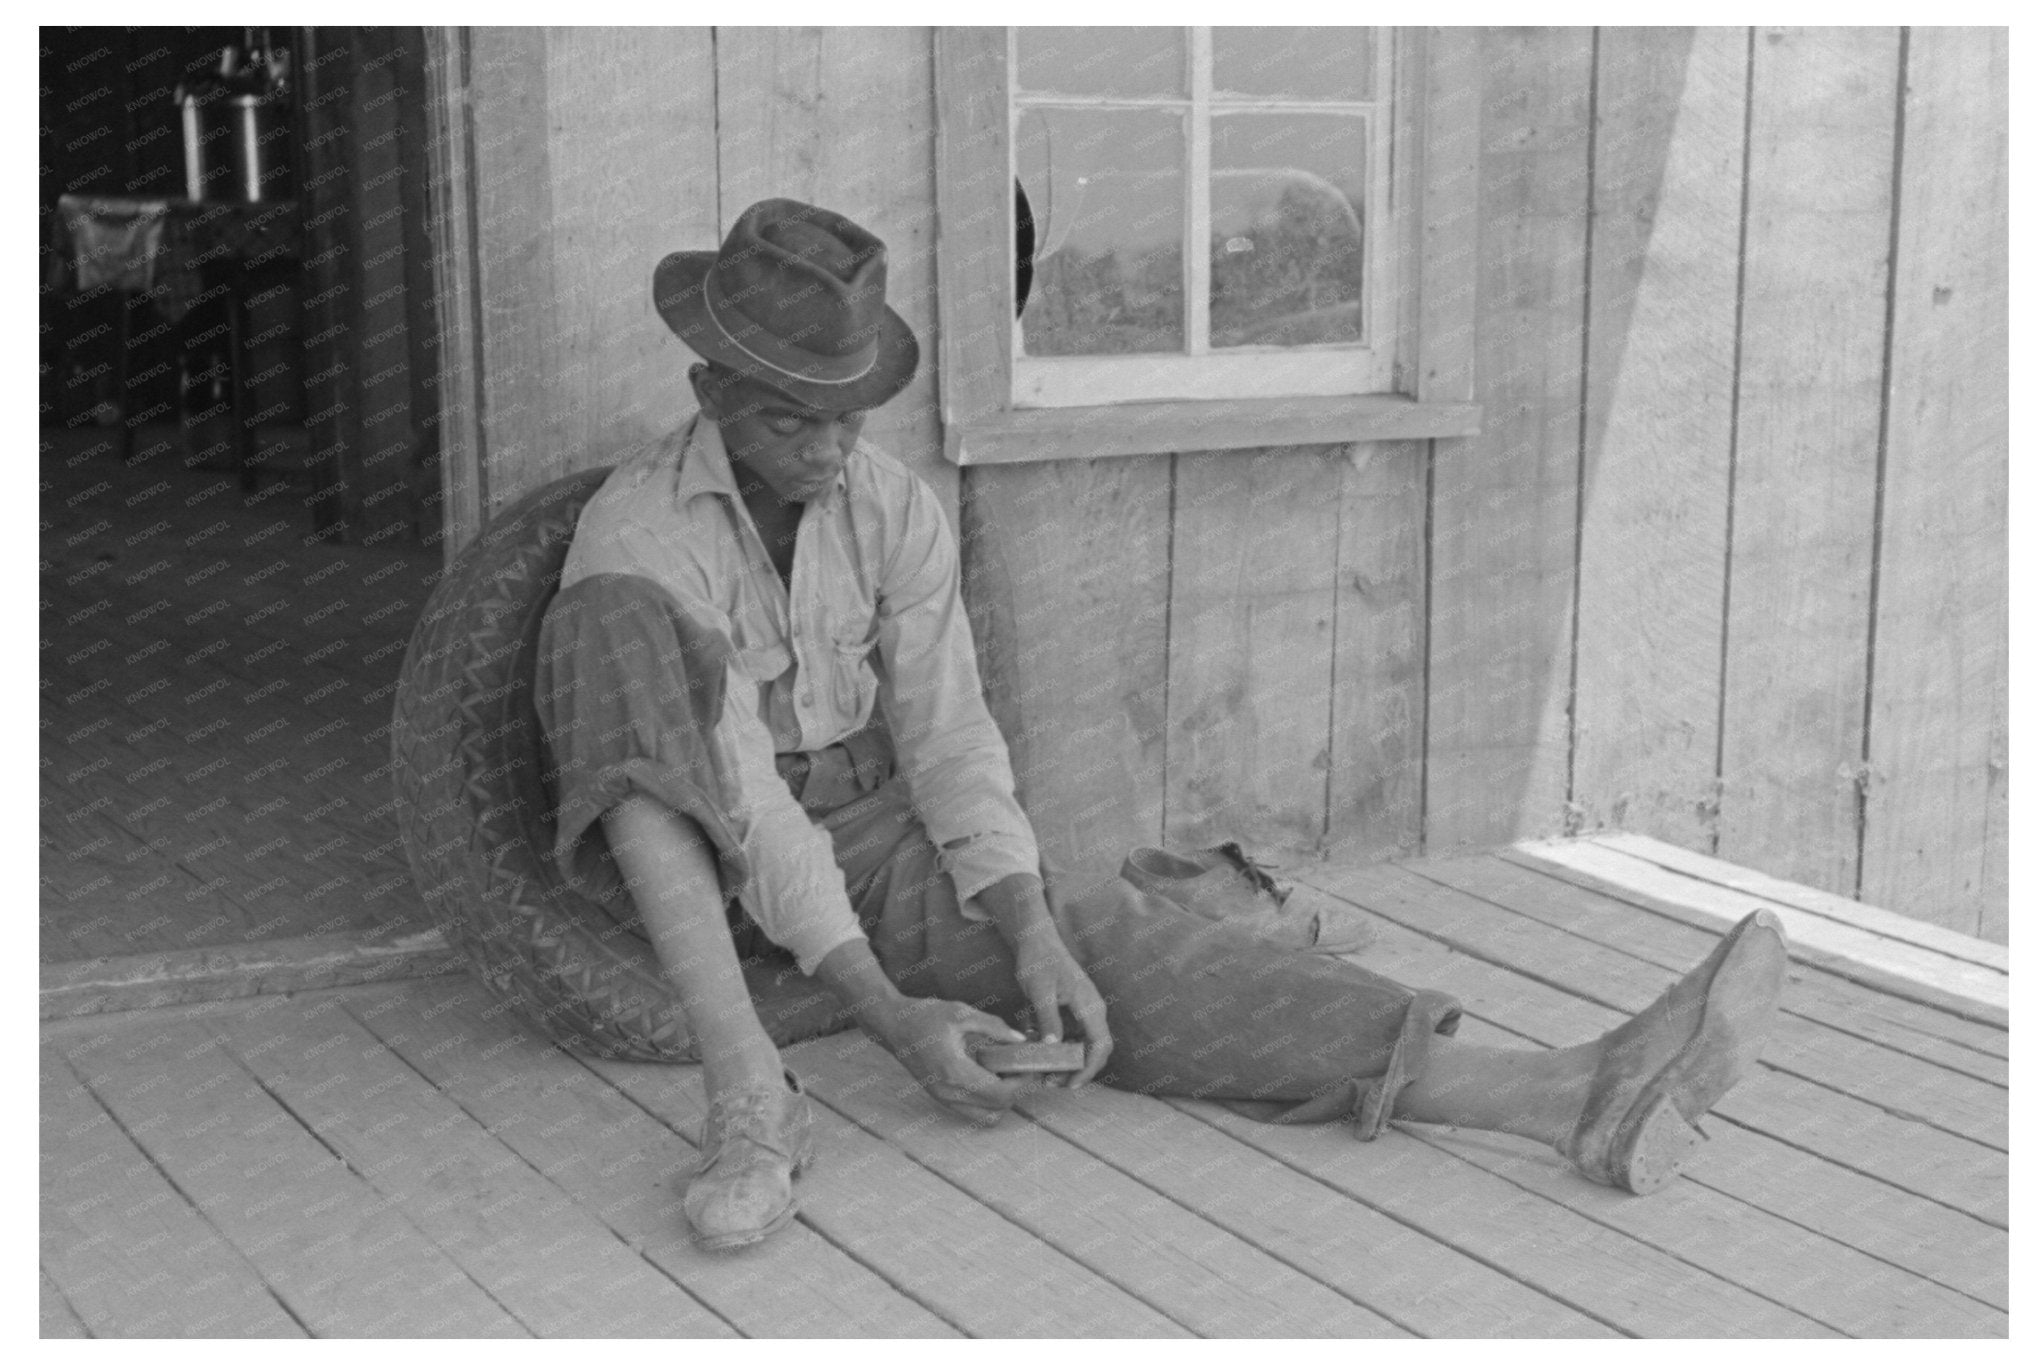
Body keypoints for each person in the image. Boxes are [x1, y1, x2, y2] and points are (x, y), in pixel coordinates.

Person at [533, 198, 1789, 1253]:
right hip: (707, 856)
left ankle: (1562, 1092)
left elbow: (949, 736)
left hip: (869, 829)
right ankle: (752, 1094)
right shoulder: (638, 539)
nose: (824, 451)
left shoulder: (890, 507)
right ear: (709, 387)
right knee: (617, 648)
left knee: (1102, 947)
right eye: (784, 417)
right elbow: (747, 805)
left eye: (847, 416)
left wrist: (1022, 926)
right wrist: (884, 1010)